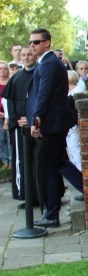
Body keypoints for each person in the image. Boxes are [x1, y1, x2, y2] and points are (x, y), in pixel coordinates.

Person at [27, 28, 84, 228]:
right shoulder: (46, 62)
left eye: (36, 42)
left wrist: (36, 120)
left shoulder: (50, 64)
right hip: (54, 122)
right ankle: (86, 188)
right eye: (31, 42)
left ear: (47, 43)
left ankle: (52, 214)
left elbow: (44, 94)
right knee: (59, 163)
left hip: (51, 123)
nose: (32, 45)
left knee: (53, 166)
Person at [2, 46, 38, 201]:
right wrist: (16, 120)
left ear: (34, 55)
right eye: (23, 55)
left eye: (29, 54)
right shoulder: (15, 78)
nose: (25, 57)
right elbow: (9, 100)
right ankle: (25, 194)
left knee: (38, 161)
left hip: (37, 126)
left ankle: (40, 194)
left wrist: (31, 119)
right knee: (22, 161)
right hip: (20, 128)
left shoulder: (40, 74)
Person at [0, 61, 12, 169]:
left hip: (10, 114)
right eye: (0, 68)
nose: (2, 70)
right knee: (1, 139)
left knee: (10, 138)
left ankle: (12, 160)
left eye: (5, 68)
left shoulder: (11, 82)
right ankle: (4, 161)